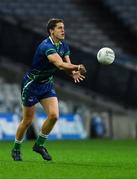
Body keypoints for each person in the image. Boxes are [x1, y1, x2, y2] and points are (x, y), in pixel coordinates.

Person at [11, 18, 86, 161]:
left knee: (54, 116)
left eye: (63, 27)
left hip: (46, 84)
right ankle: (16, 148)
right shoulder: (46, 46)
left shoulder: (64, 45)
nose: (63, 30)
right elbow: (60, 64)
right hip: (32, 84)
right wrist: (77, 67)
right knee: (27, 120)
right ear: (51, 31)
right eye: (59, 28)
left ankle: (39, 145)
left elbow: (67, 66)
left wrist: (74, 72)